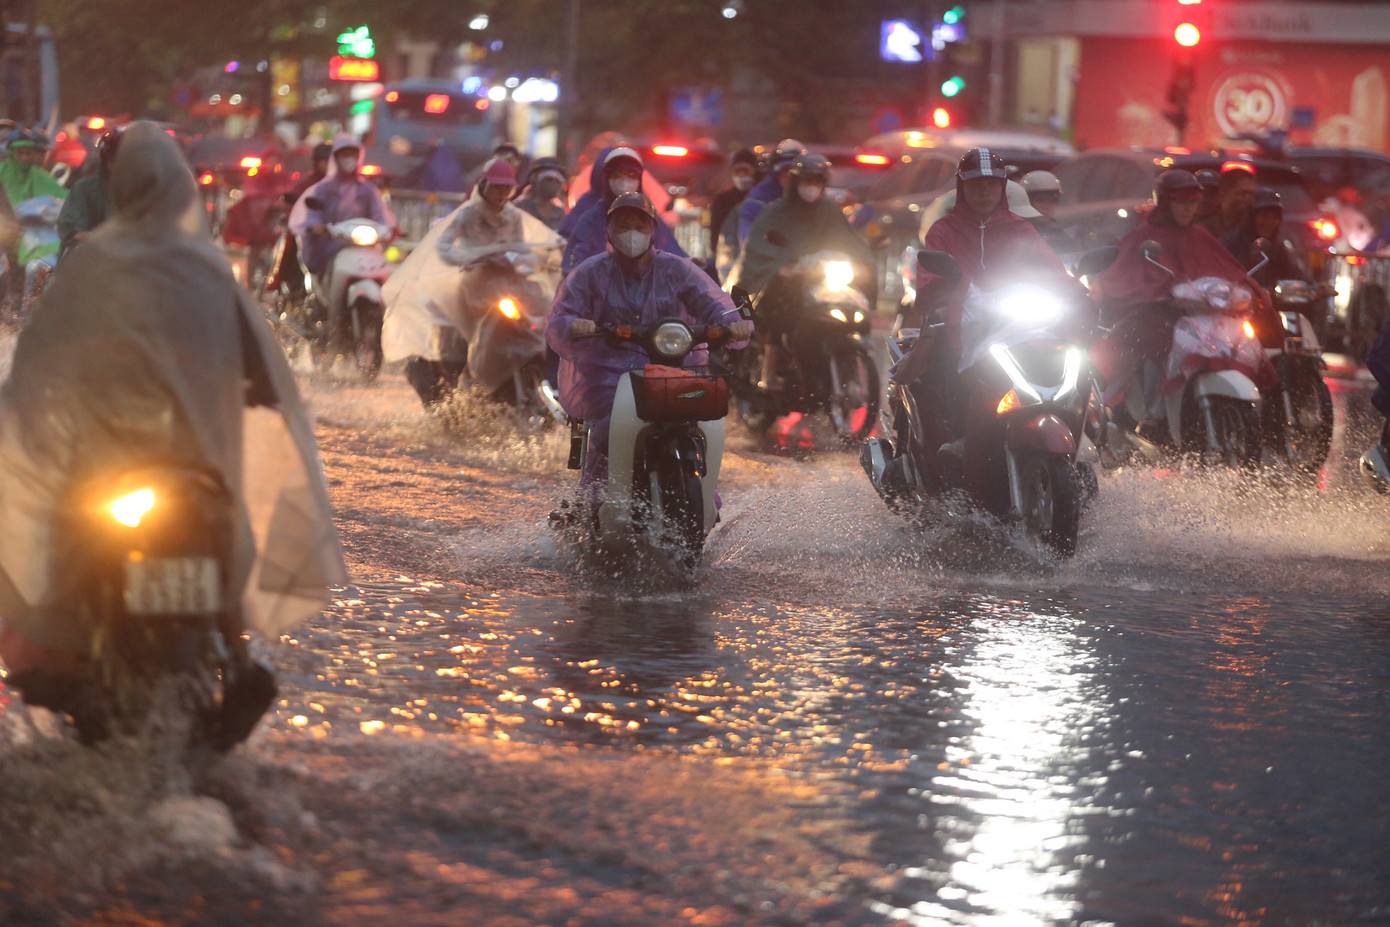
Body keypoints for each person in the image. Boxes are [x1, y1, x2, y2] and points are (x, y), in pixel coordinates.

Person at [0, 121, 345, 735]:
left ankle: (79, 654)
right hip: (191, 468)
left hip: (120, 467)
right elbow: (263, 375)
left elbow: (39, 367)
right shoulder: (206, 270)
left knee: (59, 540)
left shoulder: (95, 267)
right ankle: (236, 659)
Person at [895, 148, 1087, 506]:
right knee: (976, 391)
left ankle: (1084, 454)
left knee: (1079, 368)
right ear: (962, 188)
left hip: (1020, 328)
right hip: (963, 329)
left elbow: (1052, 271)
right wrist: (956, 295)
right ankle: (968, 472)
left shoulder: (1021, 228)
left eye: (992, 185)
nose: (984, 192)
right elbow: (931, 279)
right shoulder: (943, 231)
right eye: (976, 185)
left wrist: (1082, 296)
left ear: (1002, 188)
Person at [546, 192, 753, 498]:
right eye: (623, 224)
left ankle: (707, 497)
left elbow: (711, 302)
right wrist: (575, 324)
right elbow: (561, 317)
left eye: (639, 224)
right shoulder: (590, 272)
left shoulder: (677, 269)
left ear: (653, 230)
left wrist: (731, 324)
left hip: (673, 368)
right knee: (605, 430)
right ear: (609, 231)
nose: (632, 232)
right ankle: (595, 502)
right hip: (607, 375)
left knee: (702, 421)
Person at [1090, 169, 1276, 433]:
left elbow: (1228, 270)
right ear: (1166, 203)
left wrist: (1249, 290)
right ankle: (1143, 414)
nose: (1188, 209)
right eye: (1181, 202)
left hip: (1200, 320)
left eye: (1193, 203)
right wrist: (1154, 293)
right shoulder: (1144, 235)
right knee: (1146, 344)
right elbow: (1121, 276)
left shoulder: (1199, 235)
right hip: (1153, 316)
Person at [383, 156, 562, 406]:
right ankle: (469, 380)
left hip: (510, 285)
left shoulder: (514, 217)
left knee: (540, 318)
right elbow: (444, 247)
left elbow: (524, 248)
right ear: (484, 186)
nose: (501, 194)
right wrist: (466, 258)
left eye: (506, 188)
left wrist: (529, 259)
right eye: (497, 187)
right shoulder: (467, 215)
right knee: (460, 333)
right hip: (476, 286)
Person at [725, 152, 874, 390]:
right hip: (785, 284)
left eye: (817, 181)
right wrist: (781, 267)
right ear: (796, 182)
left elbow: (849, 241)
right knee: (781, 320)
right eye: (807, 181)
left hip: (822, 281)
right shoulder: (776, 212)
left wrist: (860, 263)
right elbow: (758, 247)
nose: (811, 187)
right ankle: (769, 373)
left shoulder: (830, 211)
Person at [287, 133, 396, 345]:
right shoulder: (322, 188)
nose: (348, 160)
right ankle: (328, 315)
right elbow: (312, 211)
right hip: (329, 246)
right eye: (344, 155)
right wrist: (316, 226)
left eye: (352, 155)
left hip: (360, 246)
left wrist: (390, 229)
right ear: (336, 158)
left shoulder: (367, 190)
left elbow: (380, 216)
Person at [561, 146, 686, 275]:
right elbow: (573, 264)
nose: (624, 181)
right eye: (617, 175)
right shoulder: (590, 217)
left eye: (631, 175)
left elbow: (676, 260)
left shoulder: (648, 215)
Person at [0, 128, 68, 303]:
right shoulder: (2, 172)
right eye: (20, 153)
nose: (24, 158)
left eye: (28, 153)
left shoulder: (39, 175)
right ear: (11, 153)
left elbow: (61, 197)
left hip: (29, 234)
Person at [1220, 186, 1313, 287]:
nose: (1268, 222)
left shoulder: (1278, 248)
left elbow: (1295, 274)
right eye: (1263, 216)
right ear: (1252, 217)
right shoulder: (1232, 243)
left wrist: (1314, 287)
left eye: (1274, 217)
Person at [56, 127, 121, 262]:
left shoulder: (145, 191)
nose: (122, 164)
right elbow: (71, 226)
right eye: (115, 158)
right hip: (92, 262)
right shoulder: (85, 188)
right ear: (105, 160)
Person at [737, 138, 804, 247]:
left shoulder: (811, 199)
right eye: (784, 169)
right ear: (775, 171)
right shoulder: (757, 197)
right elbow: (748, 235)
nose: (788, 175)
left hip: (810, 260)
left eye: (793, 171)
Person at [708, 147, 759, 262]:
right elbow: (715, 232)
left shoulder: (761, 197)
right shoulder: (723, 200)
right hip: (729, 259)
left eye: (745, 170)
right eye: (737, 171)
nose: (741, 175)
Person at [1020, 169, 1079, 254]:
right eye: (1040, 200)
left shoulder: (1059, 233)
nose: (1046, 206)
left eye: (1052, 201)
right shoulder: (1016, 232)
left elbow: (1074, 255)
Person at [1198, 163, 1255, 239]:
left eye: (1250, 193)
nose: (1248, 198)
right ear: (1223, 195)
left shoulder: (1255, 227)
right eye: (1242, 193)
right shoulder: (1204, 229)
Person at [512, 157, 569, 230]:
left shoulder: (560, 213)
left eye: (558, 181)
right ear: (534, 179)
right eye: (549, 179)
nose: (553, 184)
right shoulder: (519, 210)